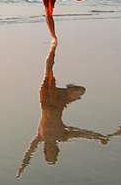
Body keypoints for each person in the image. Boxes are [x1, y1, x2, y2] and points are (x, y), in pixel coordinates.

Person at [17, 45, 108, 178]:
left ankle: (52, 49)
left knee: (48, 72)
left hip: (47, 102)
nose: (52, 150)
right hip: (60, 104)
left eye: (50, 153)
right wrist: (99, 136)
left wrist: (22, 166)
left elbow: (29, 152)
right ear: (57, 150)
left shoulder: (41, 138)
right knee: (81, 90)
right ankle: (65, 90)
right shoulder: (63, 136)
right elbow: (82, 134)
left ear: (46, 150)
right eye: (54, 153)